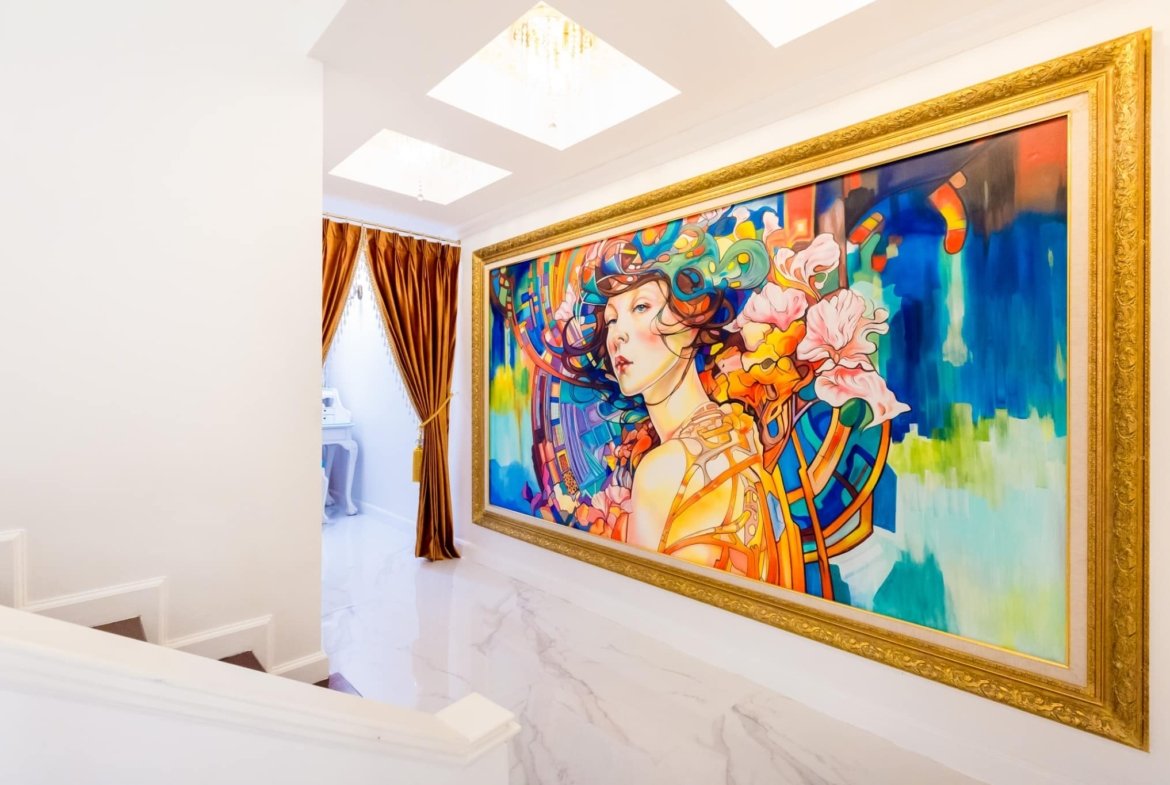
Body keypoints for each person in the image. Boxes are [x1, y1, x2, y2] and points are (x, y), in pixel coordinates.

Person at [563, 222, 806, 590]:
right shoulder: (738, 430)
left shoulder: (666, 468)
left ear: (694, 317)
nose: (618, 335)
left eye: (641, 306)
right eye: (611, 319)